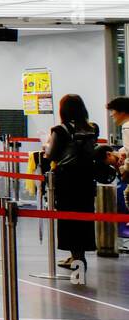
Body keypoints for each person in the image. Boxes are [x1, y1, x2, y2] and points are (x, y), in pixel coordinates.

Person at [40, 93, 99, 271]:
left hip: (67, 178)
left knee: (68, 218)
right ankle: (78, 256)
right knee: (84, 216)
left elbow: (51, 154)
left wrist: (46, 144)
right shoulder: (92, 128)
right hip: (87, 178)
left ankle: (76, 257)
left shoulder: (60, 130)